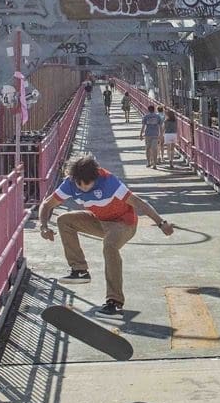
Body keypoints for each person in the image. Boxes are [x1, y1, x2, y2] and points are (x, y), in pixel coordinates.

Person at [38, 153, 173, 318]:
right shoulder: (70, 183)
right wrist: (43, 226)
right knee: (64, 220)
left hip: (124, 223)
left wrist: (161, 223)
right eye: (80, 185)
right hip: (100, 221)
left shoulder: (109, 181)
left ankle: (114, 303)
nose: (84, 188)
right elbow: (47, 204)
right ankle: (79, 270)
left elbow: (138, 202)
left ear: (95, 177)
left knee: (110, 246)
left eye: (88, 184)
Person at [140, 103, 164, 169]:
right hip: (155, 134)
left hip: (147, 134)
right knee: (154, 149)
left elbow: (143, 126)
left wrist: (141, 134)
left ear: (148, 110)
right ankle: (154, 164)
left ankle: (148, 162)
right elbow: (160, 126)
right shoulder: (157, 117)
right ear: (154, 110)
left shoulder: (146, 116)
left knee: (148, 149)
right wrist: (161, 135)